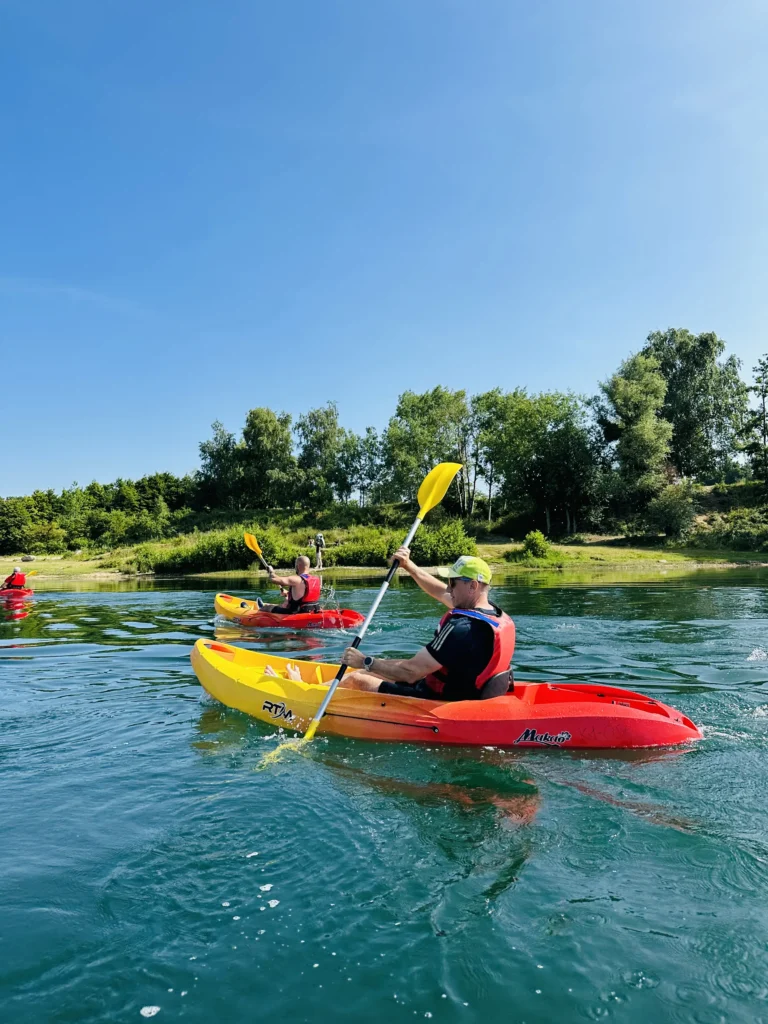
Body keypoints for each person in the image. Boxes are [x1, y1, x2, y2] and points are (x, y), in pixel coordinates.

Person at [339, 551, 515, 701]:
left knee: (356, 678)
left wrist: (365, 661)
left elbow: (411, 672)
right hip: (470, 692)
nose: (448, 588)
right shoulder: (492, 615)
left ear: (472, 586)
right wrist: (408, 566)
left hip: (439, 701)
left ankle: (315, 699)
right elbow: (439, 591)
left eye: (452, 582)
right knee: (369, 671)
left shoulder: (462, 628)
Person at [257, 555, 322, 614]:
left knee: (267, 607)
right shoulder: (316, 579)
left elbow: (274, 579)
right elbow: (304, 595)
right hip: (313, 609)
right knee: (283, 604)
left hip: (297, 612)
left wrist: (271, 571)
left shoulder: (297, 579)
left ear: (298, 566)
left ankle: (258, 613)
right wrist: (288, 593)